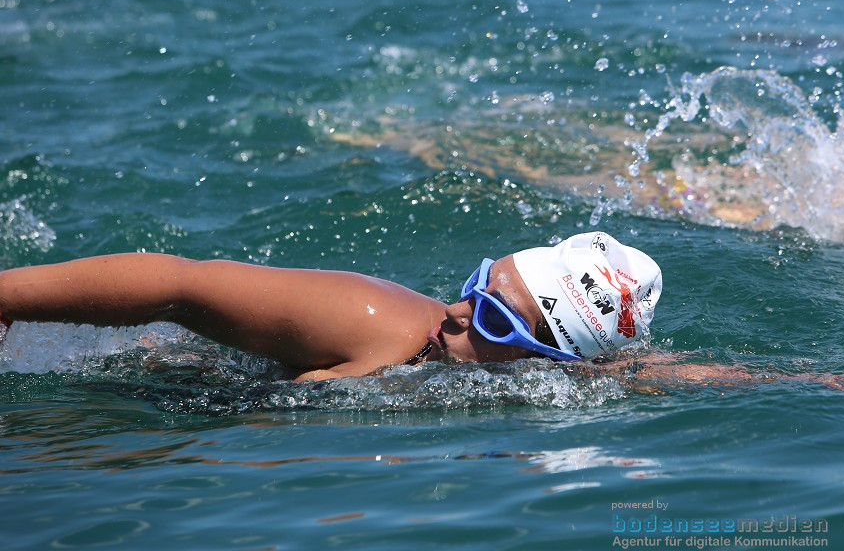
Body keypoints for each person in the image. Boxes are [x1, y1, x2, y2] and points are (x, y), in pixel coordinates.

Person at [0, 232, 662, 382]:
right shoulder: (368, 318)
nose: (457, 313)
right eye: (475, 289)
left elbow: (639, 376)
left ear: (544, 361)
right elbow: (182, 284)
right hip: (166, 398)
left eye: (492, 320)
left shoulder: (565, 380)